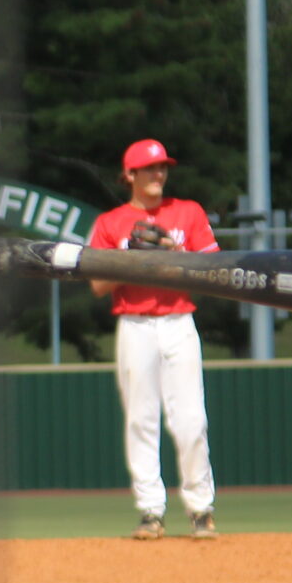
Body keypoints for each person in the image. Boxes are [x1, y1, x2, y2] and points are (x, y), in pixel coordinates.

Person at [83, 139, 219, 540]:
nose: (158, 175)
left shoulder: (187, 213)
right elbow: (97, 284)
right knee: (141, 421)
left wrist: (173, 250)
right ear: (129, 175)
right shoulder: (110, 223)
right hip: (135, 325)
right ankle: (150, 513)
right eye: (149, 169)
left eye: (162, 168)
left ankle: (201, 508)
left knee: (191, 421)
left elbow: (214, 269)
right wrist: (132, 260)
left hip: (179, 321)